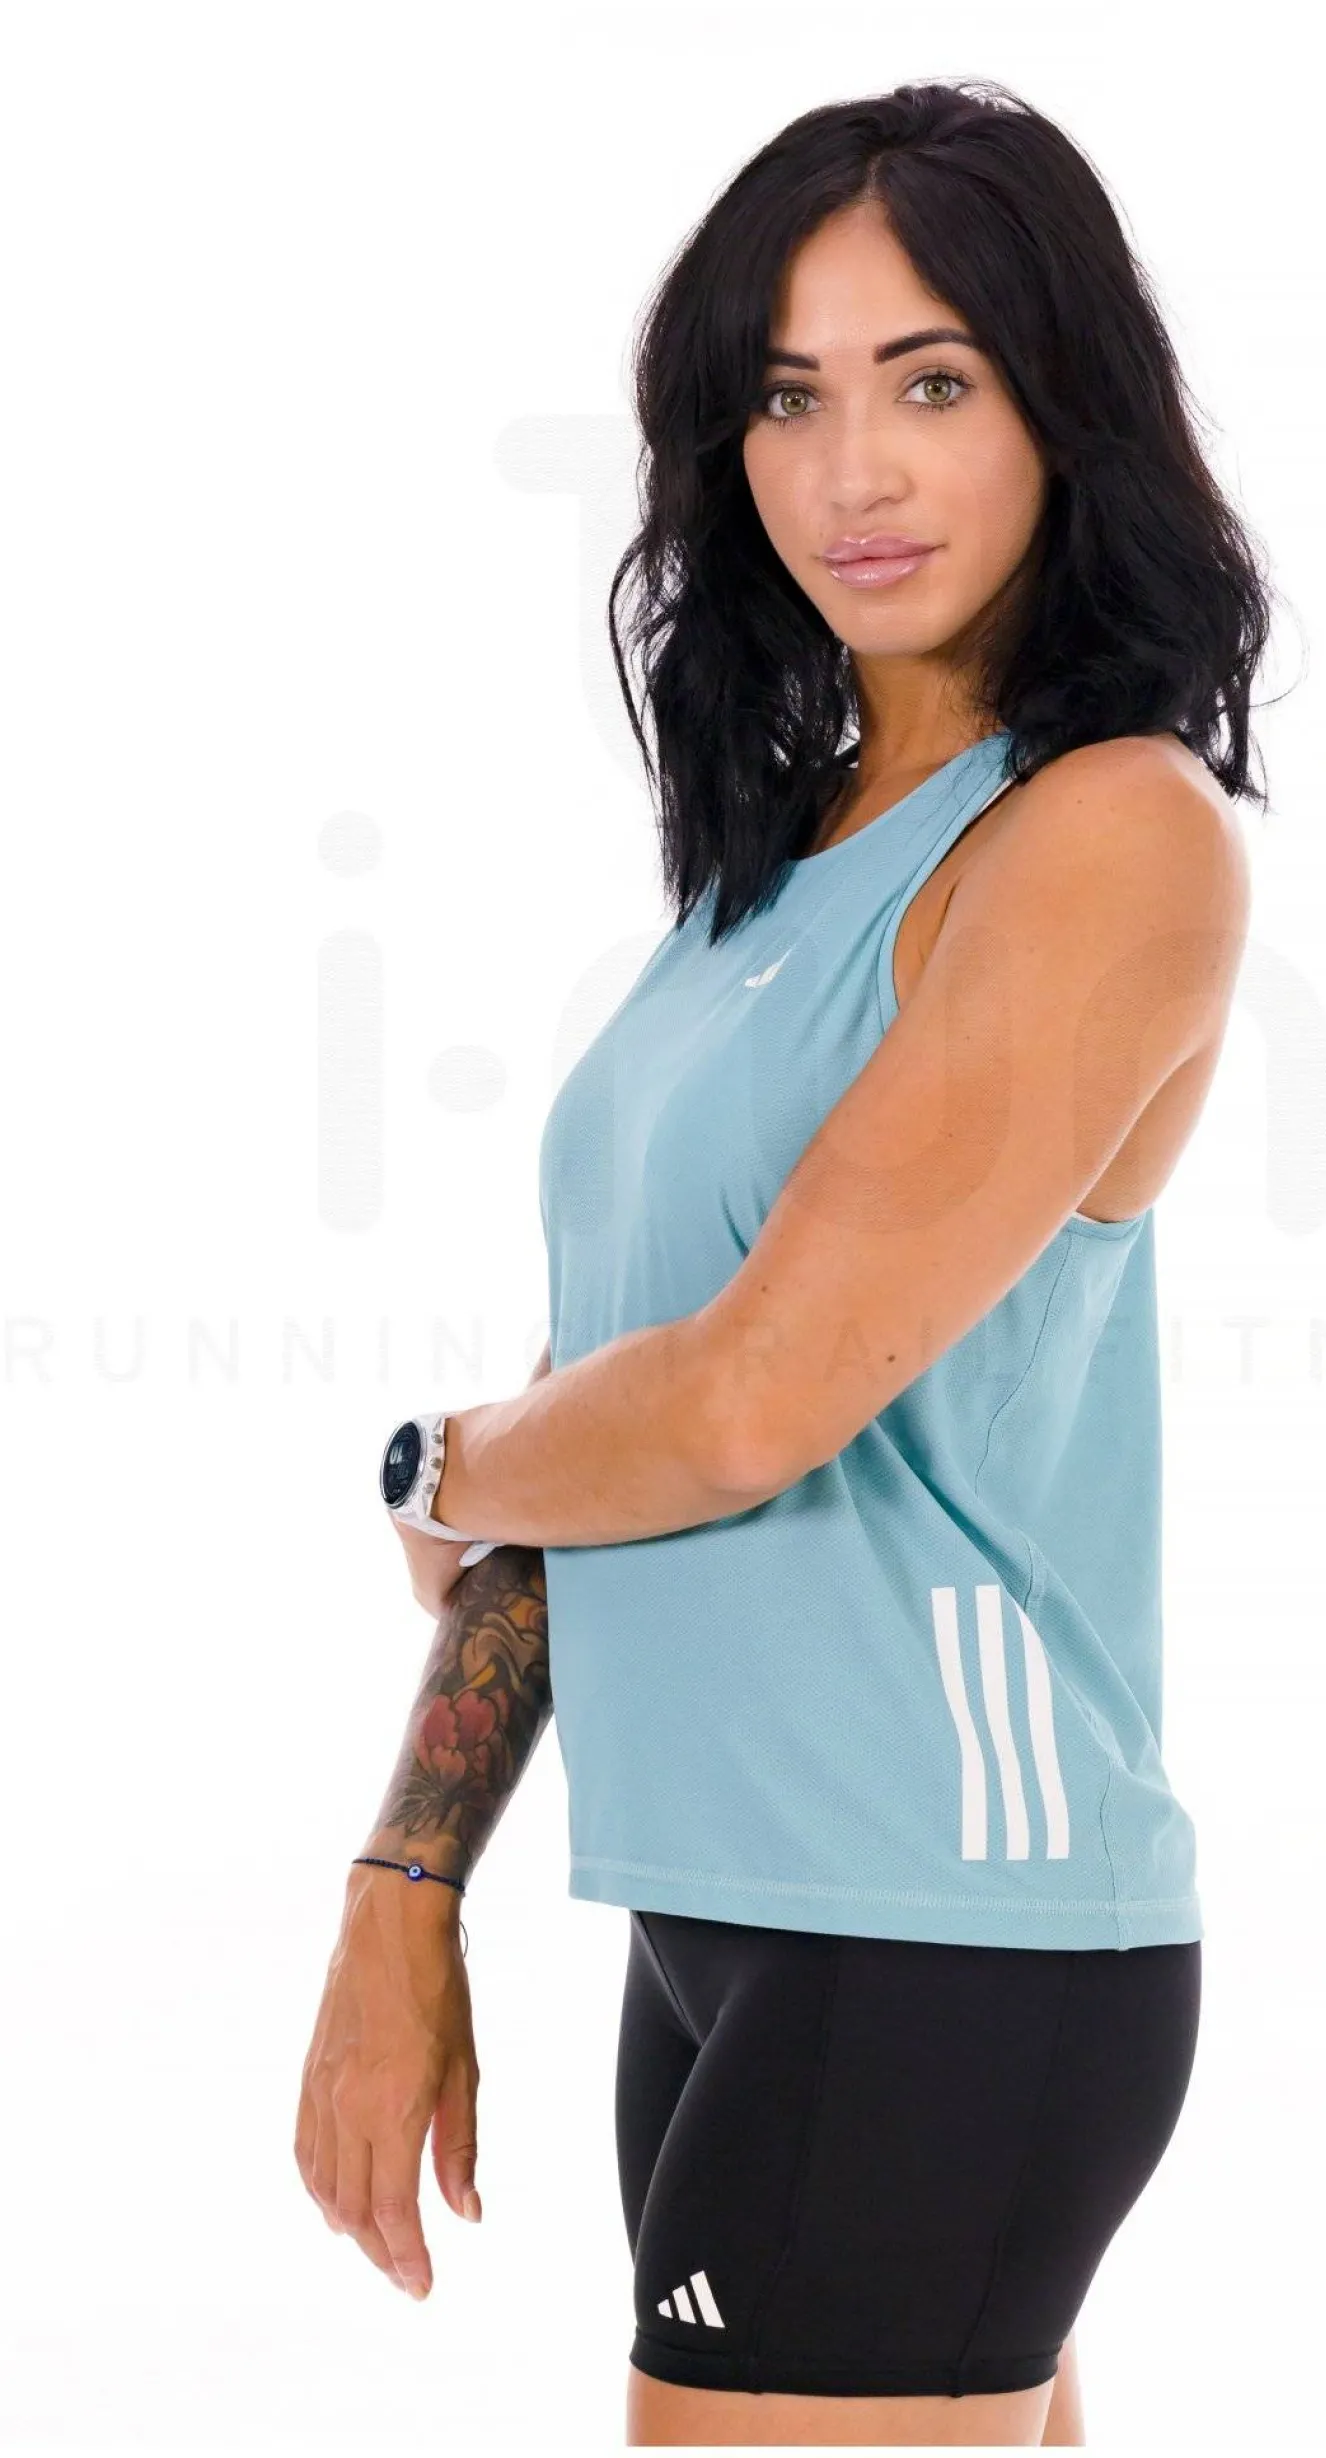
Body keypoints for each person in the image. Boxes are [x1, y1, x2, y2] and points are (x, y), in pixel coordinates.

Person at [295, 75, 1268, 2449]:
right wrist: (403, 1877)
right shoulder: (771, 875)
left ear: (1064, 409)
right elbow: (614, 1432)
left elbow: (729, 1407)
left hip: (940, 1912)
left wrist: (441, 1453)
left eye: (930, 383)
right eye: (786, 397)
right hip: (733, 1904)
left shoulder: (1109, 832)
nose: (852, 473)